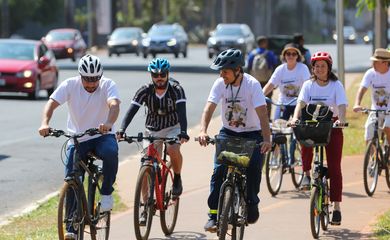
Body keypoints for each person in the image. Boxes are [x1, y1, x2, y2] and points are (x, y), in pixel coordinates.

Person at [38, 54, 120, 239]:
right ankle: (71, 228)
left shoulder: (108, 85)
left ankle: (106, 193)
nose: (91, 84)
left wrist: (108, 122)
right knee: (71, 179)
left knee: (110, 152)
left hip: (101, 135)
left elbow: (114, 105)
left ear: (101, 76)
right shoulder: (70, 85)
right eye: (87, 80)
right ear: (80, 76)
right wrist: (45, 123)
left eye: (95, 79)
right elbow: (51, 103)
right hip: (78, 138)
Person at [197, 48, 272, 232]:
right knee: (218, 172)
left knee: (254, 167)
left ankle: (252, 202)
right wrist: (203, 130)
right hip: (228, 132)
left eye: (225, 71)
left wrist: (266, 139)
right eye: (220, 71)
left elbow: (262, 114)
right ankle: (213, 215)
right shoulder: (220, 83)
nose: (222, 75)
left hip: (252, 133)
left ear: (238, 70)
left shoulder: (252, 85)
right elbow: (209, 108)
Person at [117, 58, 189, 200]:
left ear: (168, 74)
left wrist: (184, 131)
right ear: (151, 76)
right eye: (155, 75)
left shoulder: (177, 90)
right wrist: (122, 129)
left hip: (172, 127)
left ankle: (178, 178)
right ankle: (144, 206)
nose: (159, 78)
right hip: (152, 129)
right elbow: (132, 110)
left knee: (172, 149)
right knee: (147, 163)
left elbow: (182, 112)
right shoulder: (145, 90)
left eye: (162, 75)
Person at [290, 51, 347, 225]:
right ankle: (306, 174)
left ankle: (336, 207)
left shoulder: (336, 85)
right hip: (313, 123)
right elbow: (300, 103)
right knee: (304, 140)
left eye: (323, 66)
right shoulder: (308, 85)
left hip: (332, 125)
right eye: (316, 66)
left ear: (329, 68)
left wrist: (342, 120)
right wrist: (295, 118)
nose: (320, 69)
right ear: (312, 68)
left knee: (335, 167)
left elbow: (342, 105)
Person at [263, 43, 311, 121]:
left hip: (299, 103)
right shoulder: (280, 69)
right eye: (288, 54)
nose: (291, 56)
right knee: (277, 127)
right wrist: (261, 95)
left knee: (300, 128)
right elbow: (271, 84)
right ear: (284, 56)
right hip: (283, 104)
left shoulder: (303, 68)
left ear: (297, 56)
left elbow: (308, 85)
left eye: (294, 54)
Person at [353, 48, 390, 147]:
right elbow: (362, 89)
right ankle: (374, 160)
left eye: (377, 62)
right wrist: (357, 104)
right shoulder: (370, 73)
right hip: (375, 110)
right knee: (369, 135)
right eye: (373, 61)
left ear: (386, 63)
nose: (373, 64)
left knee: (387, 127)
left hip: (389, 110)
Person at [247, 36, 278, 117]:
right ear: (264, 43)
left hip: (254, 81)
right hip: (267, 81)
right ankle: (267, 118)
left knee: (254, 99)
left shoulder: (252, 54)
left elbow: (248, 67)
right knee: (267, 99)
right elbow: (274, 65)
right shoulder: (269, 54)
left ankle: (256, 117)